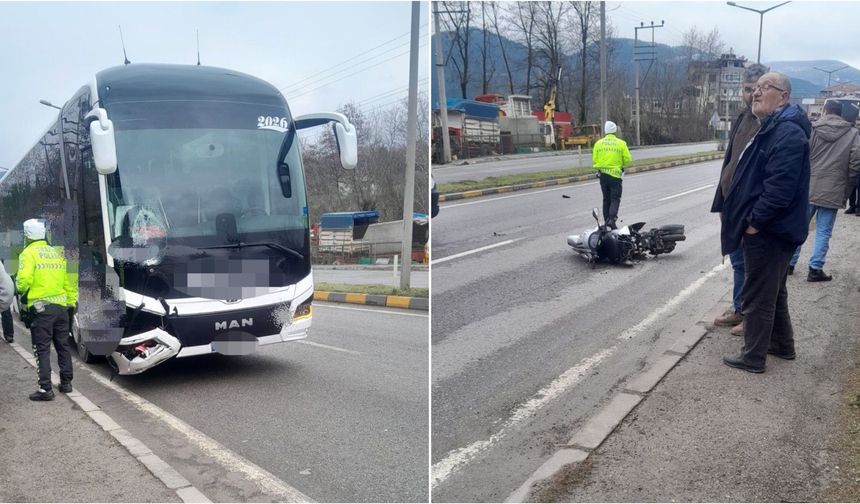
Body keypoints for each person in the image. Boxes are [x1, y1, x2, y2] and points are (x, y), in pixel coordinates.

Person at [718, 72, 811, 373]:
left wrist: (755, 223)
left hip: (770, 231)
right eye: (755, 88)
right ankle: (783, 345)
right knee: (775, 290)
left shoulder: (787, 133)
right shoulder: (777, 127)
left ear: (783, 96)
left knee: (757, 294)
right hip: (775, 229)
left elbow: (779, 188)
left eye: (764, 88)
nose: (757, 93)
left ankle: (753, 356)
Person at [711, 63, 770, 336]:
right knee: (737, 262)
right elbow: (730, 162)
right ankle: (739, 308)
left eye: (757, 88)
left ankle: (751, 317)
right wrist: (722, 201)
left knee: (755, 267)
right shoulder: (743, 118)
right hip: (734, 205)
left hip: (754, 209)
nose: (752, 94)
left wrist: (758, 216)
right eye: (747, 89)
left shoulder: (770, 123)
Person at [788, 100, 860, 281]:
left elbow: (801, 156)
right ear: (841, 114)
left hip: (809, 186)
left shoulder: (812, 130)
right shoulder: (853, 134)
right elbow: (855, 164)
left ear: (825, 111)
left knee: (799, 227)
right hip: (834, 187)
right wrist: (847, 186)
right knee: (824, 231)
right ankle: (815, 269)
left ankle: (789, 264)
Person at [16, 219, 77, 401]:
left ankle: (45, 389)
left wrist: (20, 289)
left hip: (41, 308)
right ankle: (66, 383)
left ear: (27, 235)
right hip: (61, 307)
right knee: (63, 346)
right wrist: (71, 303)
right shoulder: (56, 253)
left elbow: (23, 281)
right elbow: (69, 282)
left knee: (41, 349)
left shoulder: (27, 253)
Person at [592, 121, 631, 229]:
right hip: (615, 176)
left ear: (605, 131)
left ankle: (606, 222)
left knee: (606, 199)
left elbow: (595, 159)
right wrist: (620, 164)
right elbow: (627, 159)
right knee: (615, 199)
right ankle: (612, 220)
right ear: (615, 131)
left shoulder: (598, 143)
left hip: (603, 176)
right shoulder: (621, 143)